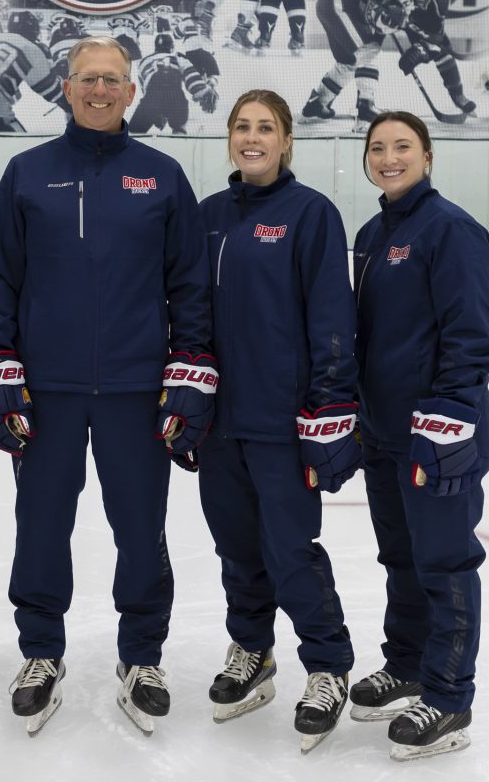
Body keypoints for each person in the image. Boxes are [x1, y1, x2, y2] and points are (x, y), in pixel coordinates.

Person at [0, 34, 213, 736]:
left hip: (139, 390)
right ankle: (41, 651)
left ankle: (141, 655)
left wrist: (191, 371)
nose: (100, 91)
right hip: (46, 390)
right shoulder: (25, 173)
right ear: (67, 87)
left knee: (141, 529)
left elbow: (190, 285)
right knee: (41, 525)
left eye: (113, 80)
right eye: (88, 79)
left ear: (131, 92)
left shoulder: (163, 176)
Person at [195, 89, 358, 753]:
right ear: (229, 137)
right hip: (217, 425)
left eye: (266, 128)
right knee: (236, 548)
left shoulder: (311, 215)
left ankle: (327, 666)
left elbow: (331, 321)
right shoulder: (204, 218)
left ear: (287, 140)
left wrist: (327, 408)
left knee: (291, 552)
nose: (252, 137)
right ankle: (252, 650)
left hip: (283, 423)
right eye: (242, 127)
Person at [350, 111, 489, 762]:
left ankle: (449, 694)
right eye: (378, 148)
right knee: (400, 559)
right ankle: (407, 664)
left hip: (437, 433)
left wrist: (446, 423)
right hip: (382, 431)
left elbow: (470, 340)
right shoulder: (371, 234)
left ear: (428, 156)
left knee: (444, 562)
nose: (389, 157)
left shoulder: (452, 231)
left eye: (402, 146)